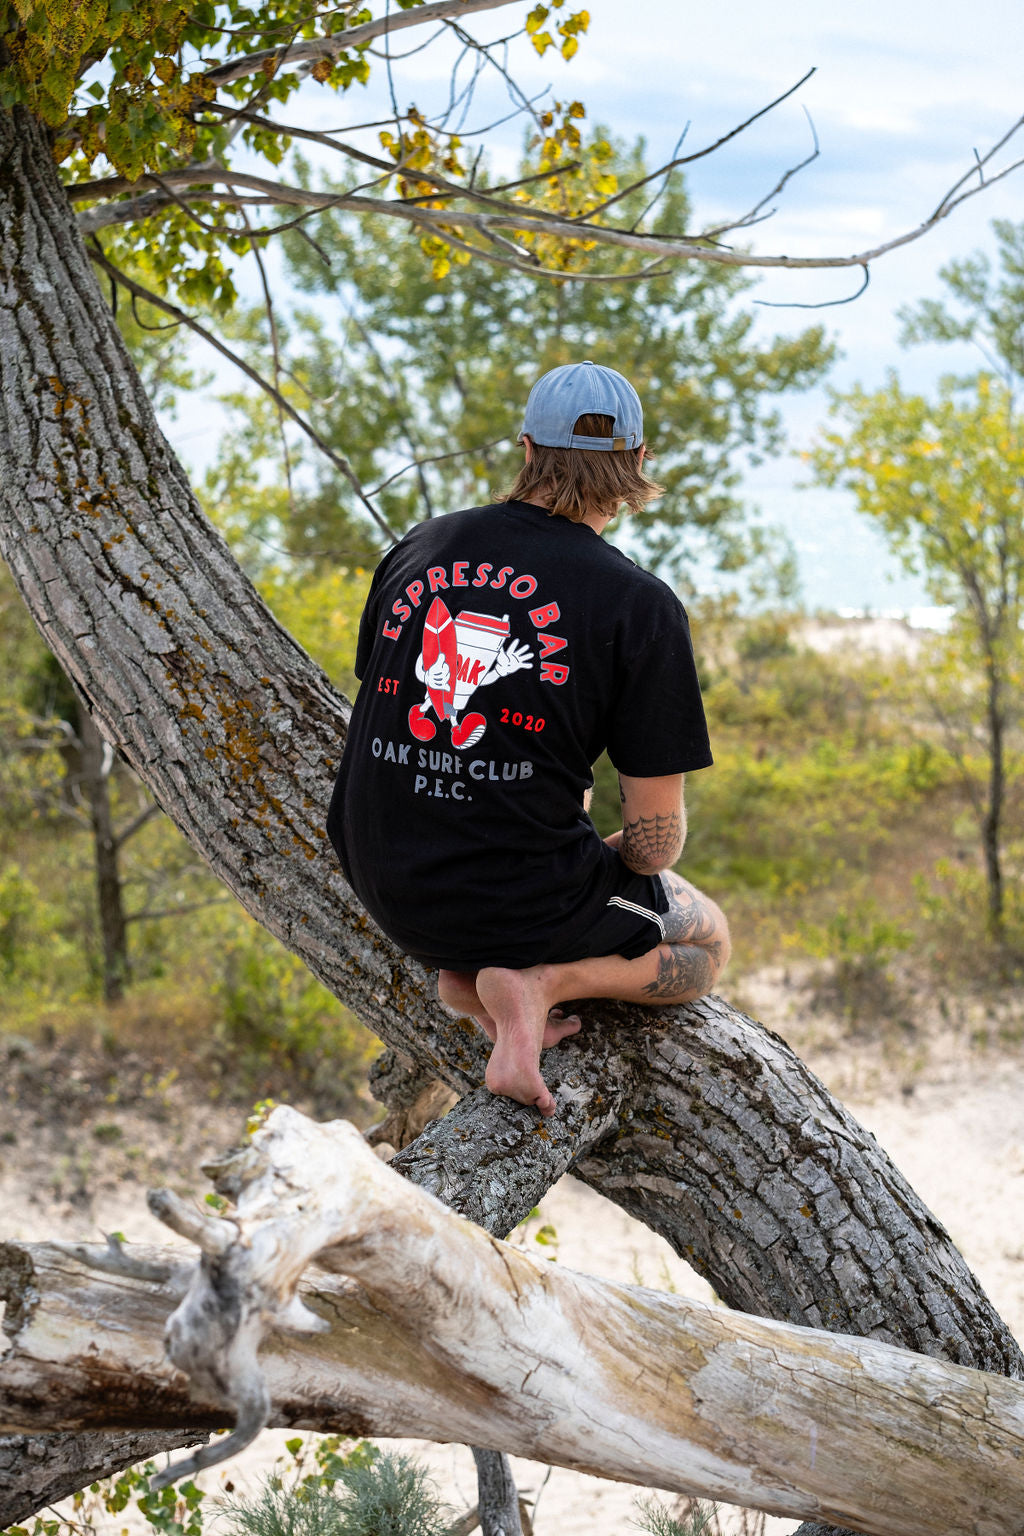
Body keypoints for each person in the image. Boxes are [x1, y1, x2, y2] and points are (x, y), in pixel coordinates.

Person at [327, 360, 730, 1116]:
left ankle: (462, 968)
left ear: (526, 450)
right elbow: (656, 841)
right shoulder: (638, 605)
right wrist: (606, 856)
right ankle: (539, 983)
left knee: (530, 840)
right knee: (708, 946)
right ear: (639, 463)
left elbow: (393, 711)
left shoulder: (422, 545)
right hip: (502, 900)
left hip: (378, 875)